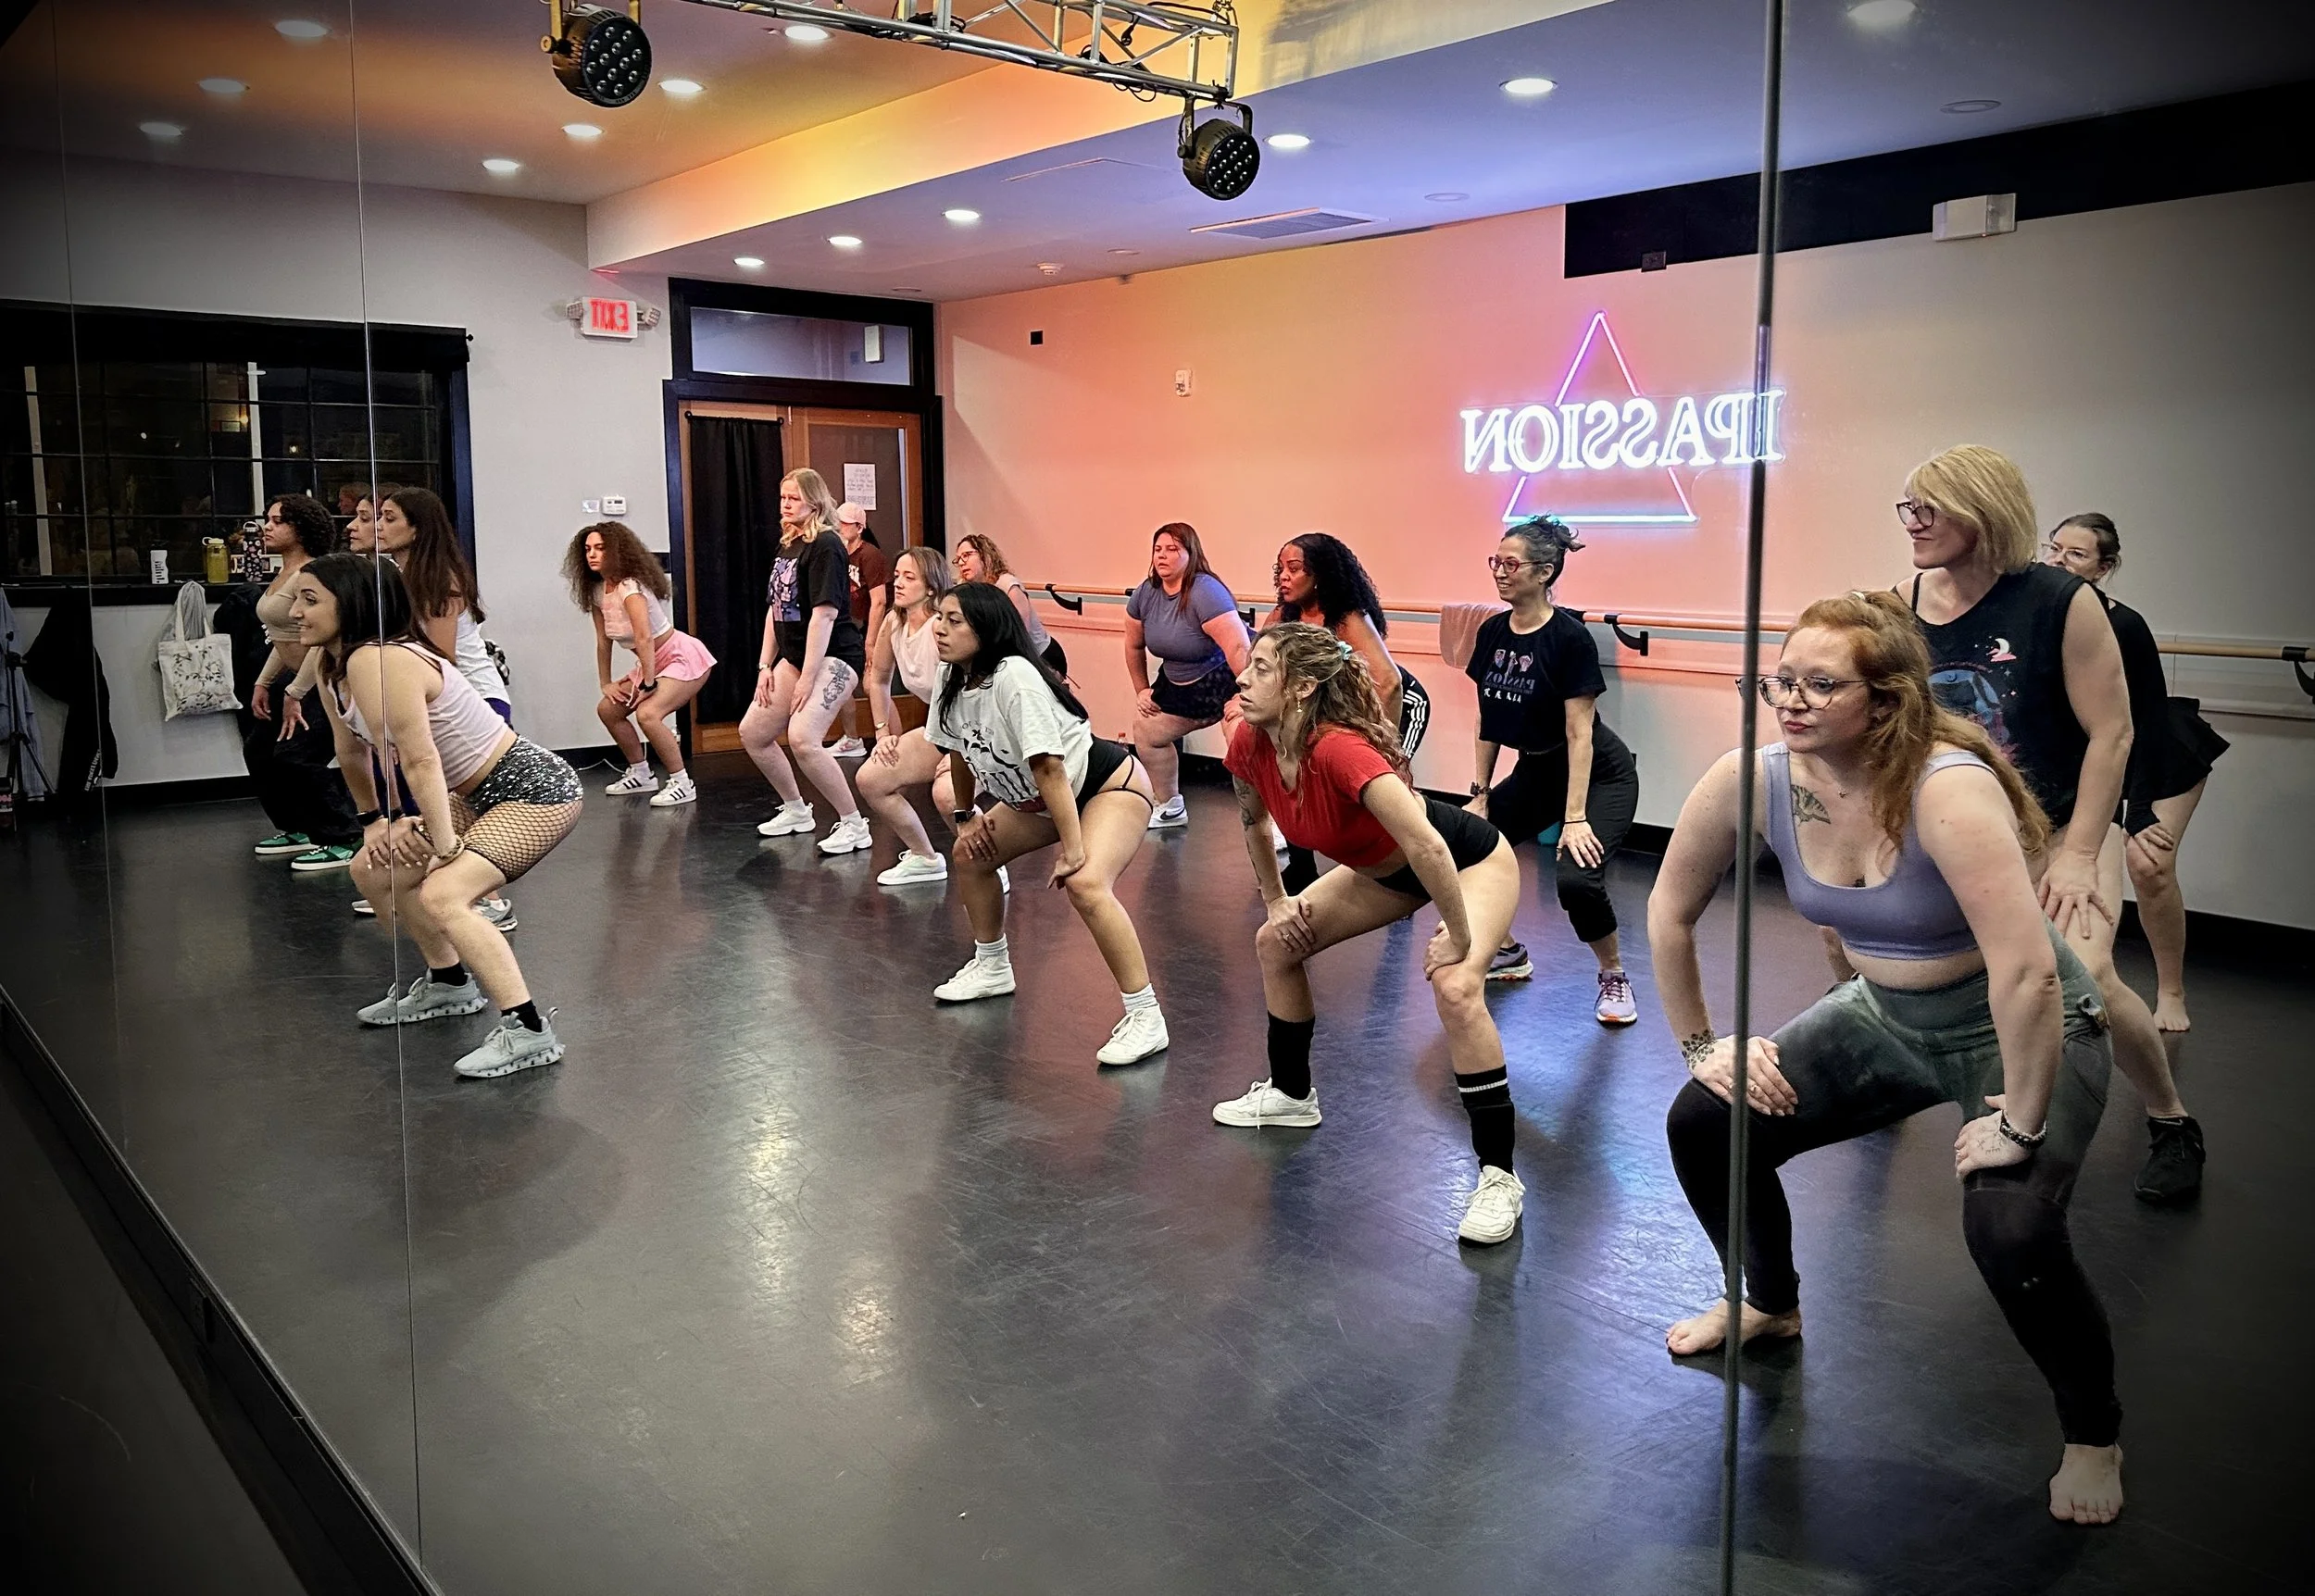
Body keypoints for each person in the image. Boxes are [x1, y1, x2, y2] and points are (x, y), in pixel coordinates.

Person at [1649, 591, 2123, 1527]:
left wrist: (2018, 1121)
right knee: (1705, 1120)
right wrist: (1704, 1045)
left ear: (1886, 697)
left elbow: (2026, 972)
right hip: (1883, 1013)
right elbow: (1667, 911)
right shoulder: (1754, 777)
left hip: (2027, 1021)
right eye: (1782, 679)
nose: (1792, 699)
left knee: (2010, 1225)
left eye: (1822, 684)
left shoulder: (1943, 786)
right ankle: (1769, 1303)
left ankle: (2092, 1432)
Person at [1893, 446, 2200, 1203]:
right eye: (1909, 508)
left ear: (1983, 511)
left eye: (1932, 507)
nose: (1915, 522)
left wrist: (2080, 857)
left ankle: (2169, 1120)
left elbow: (2114, 733)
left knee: (2088, 976)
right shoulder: (1897, 603)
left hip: (2055, 830)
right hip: (1953, 835)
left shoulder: (2060, 601)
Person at [1216, 623, 1526, 1243]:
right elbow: (1253, 823)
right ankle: (1292, 1095)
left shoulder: (1338, 750)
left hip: (1469, 862)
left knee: (1458, 989)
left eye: (1262, 669)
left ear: (1303, 687)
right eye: (1248, 666)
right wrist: (1276, 901)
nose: (1243, 679)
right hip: (1385, 873)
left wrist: (1459, 937)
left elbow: (1429, 843)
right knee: (1276, 942)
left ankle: (1500, 1177)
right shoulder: (1250, 742)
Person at [294, 554, 582, 1079]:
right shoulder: (330, 664)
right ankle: (449, 984)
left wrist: (443, 847)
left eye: (310, 599)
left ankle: (529, 1031)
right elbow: (353, 752)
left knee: (443, 893)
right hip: (468, 794)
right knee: (373, 870)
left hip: (533, 788)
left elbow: (419, 756)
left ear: (354, 604)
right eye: (297, 597)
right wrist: (375, 822)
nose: (295, 611)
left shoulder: (383, 659)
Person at [922, 582, 1169, 1066]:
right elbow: (957, 748)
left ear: (987, 629)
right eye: (940, 617)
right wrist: (965, 816)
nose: (940, 628)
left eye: (955, 620)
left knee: (1087, 884)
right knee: (970, 856)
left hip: (1106, 786)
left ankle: (1147, 1016)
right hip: (1040, 802)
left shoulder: (1014, 676)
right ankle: (992, 966)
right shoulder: (953, 677)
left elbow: (1050, 767)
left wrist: (1074, 851)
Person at [2045, 515, 2227, 1032]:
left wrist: (2139, 808)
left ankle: (2171, 989)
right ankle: (2084, 982)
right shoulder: (2038, 612)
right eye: (2054, 548)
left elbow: (2142, 721)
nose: (2058, 560)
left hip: (2158, 753)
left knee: (2148, 865)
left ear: (2104, 569)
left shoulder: (2123, 624)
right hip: (2089, 750)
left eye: (2076, 555)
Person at [1463, 516, 1643, 1025]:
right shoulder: (1493, 631)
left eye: (1510, 563)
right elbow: (1488, 718)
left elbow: (1579, 734)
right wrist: (1479, 794)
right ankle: (1507, 952)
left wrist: (1576, 817)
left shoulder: (1569, 639)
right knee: (1466, 846)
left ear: (1543, 573)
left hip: (1599, 775)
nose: (1499, 571)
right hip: (1537, 771)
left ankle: (1613, 976)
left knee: (1577, 881)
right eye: (1494, 561)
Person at [373, 486, 518, 930]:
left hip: (475, 701)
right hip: (437, 697)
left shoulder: (440, 580)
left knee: (459, 803)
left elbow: (440, 658)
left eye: (389, 518)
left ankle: (488, 898)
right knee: (424, 797)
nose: (378, 526)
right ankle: (424, 886)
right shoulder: (398, 575)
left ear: (417, 529)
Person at [1265, 532, 1430, 892]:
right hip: (1335, 714)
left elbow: (1388, 683)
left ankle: (1408, 873)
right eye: (1281, 569)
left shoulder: (1346, 618)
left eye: (1295, 569)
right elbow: (1262, 666)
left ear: (1319, 575)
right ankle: (1302, 867)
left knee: (1385, 789)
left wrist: (1377, 746)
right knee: (1294, 777)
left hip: (1398, 704)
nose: (1284, 577)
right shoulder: (1283, 616)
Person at [742, 468, 872, 851]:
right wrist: (766, 666)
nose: (785, 504)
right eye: (783, 497)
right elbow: (776, 609)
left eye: (794, 498)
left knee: (803, 738)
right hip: (796, 656)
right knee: (755, 733)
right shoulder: (789, 544)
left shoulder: (827, 545)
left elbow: (825, 614)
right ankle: (797, 809)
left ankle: (854, 823)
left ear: (815, 502)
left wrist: (808, 676)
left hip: (836, 655)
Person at [242, 493, 360, 871]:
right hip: (294, 680)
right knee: (259, 752)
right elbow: (283, 634)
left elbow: (316, 640)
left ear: (300, 528)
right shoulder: (283, 574)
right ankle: (300, 828)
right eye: (268, 519)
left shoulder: (314, 574)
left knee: (299, 757)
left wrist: (296, 692)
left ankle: (347, 835)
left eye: (278, 521)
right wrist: (264, 682)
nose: (267, 527)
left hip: (320, 681)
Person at [563, 521, 716, 808]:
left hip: (680, 656)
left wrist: (648, 682)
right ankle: (641, 773)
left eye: (600, 548)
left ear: (617, 551)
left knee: (648, 714)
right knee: (608, 710)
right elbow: (602, 641)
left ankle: (682, 782)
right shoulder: (597, 591)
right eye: (588, 549)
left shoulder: (630, 587)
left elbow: (644, 637)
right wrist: (605, 683)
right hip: (651, 662)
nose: (592, 555)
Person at [1124, 522, 1252, 830]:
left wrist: (1249, 696)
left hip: (1226, 676)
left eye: (1173, 549)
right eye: (1158, 549)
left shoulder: (1205, 591)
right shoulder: (1147, 592)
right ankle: (1169, 807)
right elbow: (1133, 644)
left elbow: (1239, 649)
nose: (1162, 556)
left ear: (1190, 554)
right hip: (1179, 683)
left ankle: (1268, 821)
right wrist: (1142, 690)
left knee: (1242, 737)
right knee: (1147, 732)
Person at [857, 545, 967, 884]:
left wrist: (959, 752)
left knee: (948, 796)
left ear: (931, 587)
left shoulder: (941, 628)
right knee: (871, 779)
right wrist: (881, 733)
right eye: (896, 577)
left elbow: (971, 694)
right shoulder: (893, 621)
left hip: (974, 731)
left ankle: (988, 866)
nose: (898, 584)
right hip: (940, 727)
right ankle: (925, 857)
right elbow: (878, 679)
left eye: (909, 577)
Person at [952, 533, 1066, 677]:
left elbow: (1020, 631)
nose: (962, 562)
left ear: (985, 556)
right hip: (1006, 658)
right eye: (958, 559)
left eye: (967, 555)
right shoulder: (967, 589)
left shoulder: (1007, 584)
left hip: (1042, 657)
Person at [827, 502, 889, 759]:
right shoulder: (840, 553)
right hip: (848, 626)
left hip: (868, 627)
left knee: (872, 683)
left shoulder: (870, 555)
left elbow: (880, 601)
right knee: (843, 682)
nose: (839, 527)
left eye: (845, 523)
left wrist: (871, 641)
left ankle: (888, 737)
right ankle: (852, 738)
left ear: (859, 527)